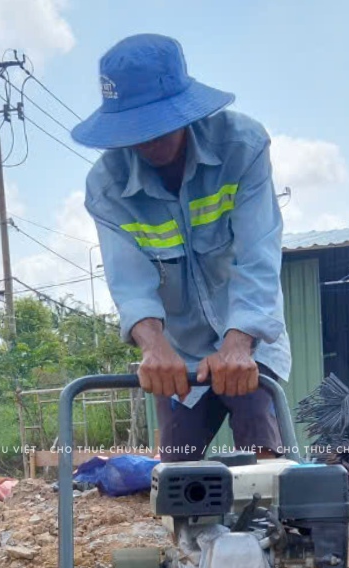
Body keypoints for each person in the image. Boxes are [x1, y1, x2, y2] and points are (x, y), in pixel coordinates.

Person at [72, 34, 292, 461]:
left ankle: (268, 501)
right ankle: (185, 505)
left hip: (246, 339)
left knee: (263, 456)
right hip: (176, 352)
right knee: (176, 469)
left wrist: (237, 344)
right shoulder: (107, 186)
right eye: (134, 129)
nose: (147, 139)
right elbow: (129, 282)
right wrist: (153, 346)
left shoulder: (241, 147)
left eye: (157, 124)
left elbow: (258, 255)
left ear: (183, 110)